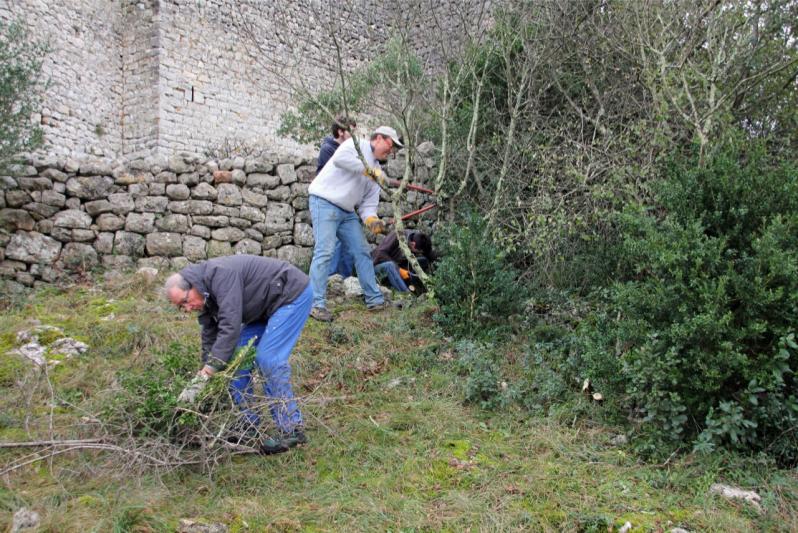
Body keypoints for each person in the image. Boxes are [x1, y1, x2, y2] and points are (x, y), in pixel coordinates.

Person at [164, 254, 311, 455]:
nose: (188, 308)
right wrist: (203, 374)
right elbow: (210, 336)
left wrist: (207, 372)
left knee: (268, 359)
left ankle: (291, 429)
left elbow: (230, 325)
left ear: (192, 286)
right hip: (263, 308)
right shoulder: (204, 293)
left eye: (185, 301)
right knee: (234, 361)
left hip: (289, 295)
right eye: (181, 307)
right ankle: (249, 425)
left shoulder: (220, 275)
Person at [307, 125, 403, 322]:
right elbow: (341, 160)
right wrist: (369, 171)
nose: (391, 151)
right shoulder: (355, 144)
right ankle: (315, 304)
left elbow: (368, 207)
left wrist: (373, 222)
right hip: (323, 201)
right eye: (390, 145)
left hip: (347, 211)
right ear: (378, 138)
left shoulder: (377, 172)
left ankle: (375, 300)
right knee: (325, 251)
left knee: (362, 252)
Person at [317, 116, 357, 278]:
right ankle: (332, 279)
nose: (354, 136)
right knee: (333, 242)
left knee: (348, 243)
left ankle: (346, 280)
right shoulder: (328, 149)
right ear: (340, 131)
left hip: (345, 202)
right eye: (351, 131)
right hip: (330, 202)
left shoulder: (350, 151)